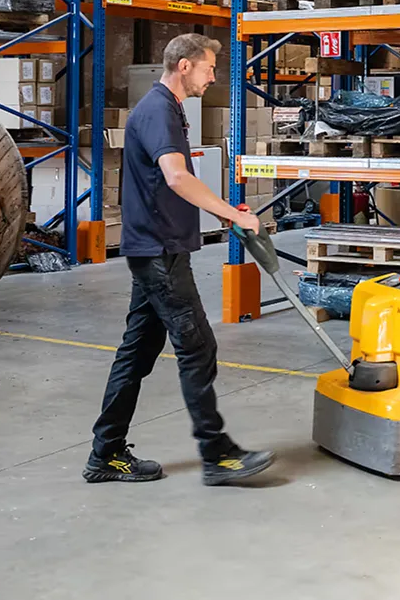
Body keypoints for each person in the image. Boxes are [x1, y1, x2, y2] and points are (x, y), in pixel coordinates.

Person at [85, 33, 275, 486]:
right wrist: (233, 214)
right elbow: (176, 177)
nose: (213, 77)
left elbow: (173, 182)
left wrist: (225, 211)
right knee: (197, 347)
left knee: (136, 354)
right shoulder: (159, 110)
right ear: (185, 66)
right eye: (209, 68)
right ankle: (217, 456)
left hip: (155, 249)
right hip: (159, 253)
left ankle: (105, 453)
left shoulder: (166, 109)